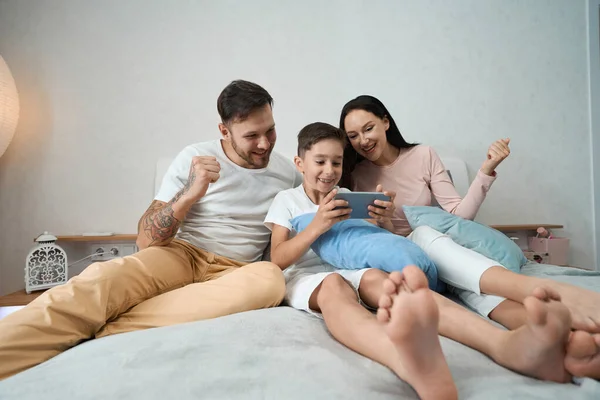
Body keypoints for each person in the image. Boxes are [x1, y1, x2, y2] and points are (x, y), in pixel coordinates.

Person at [0, 80, 302, 380]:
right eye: (252, 135)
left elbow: (298, 226)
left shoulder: (288, 173)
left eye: (270, 130)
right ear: (224, 131)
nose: (264, 143)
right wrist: (190, 192)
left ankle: (109, 329)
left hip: (237, 270)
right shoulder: (195, 157)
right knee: (102, 278)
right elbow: (146, 240)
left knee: (270, 280)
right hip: (182, 254)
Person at [265, 122, 588, 399]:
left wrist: (383, 221)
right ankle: (404, 360)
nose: (329, 171)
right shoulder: (288, 200)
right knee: (334, 287)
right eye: (320, 162)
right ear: (300, 163)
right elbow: (277, 258)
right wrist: (318, 224)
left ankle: (504, 345)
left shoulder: (348, 195)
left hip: (353, 268)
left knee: (397, 286)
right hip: (309, 275)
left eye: (336, 163)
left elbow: (370, 244)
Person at [338, 95, 600, 378]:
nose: (362, 140)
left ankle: (567, 344)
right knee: (423, 236)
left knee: (476, 292)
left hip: (443, 251)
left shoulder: (423, 155)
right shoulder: (353, 175)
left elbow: (458, 214)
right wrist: (383, 221)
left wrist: (485, 171)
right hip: (407, 257)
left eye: (368, 128)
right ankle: (545, 294)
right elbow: (374, 238)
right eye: (352, 136)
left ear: (386, 122)